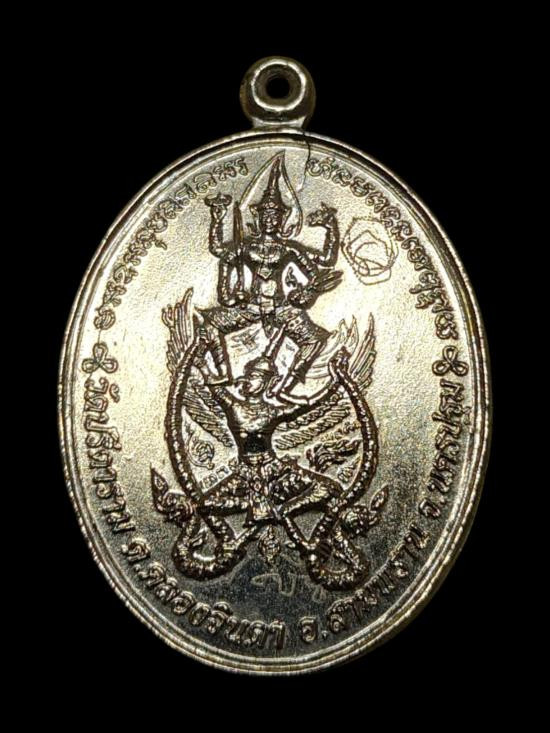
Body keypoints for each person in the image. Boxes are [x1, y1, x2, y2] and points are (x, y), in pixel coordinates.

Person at [198, 156, 342, 397]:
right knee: (210, 325)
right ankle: (222, 372)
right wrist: (227, 296)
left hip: (281, 308)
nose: (270, 221)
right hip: (250, 306)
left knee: (315, 340)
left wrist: (331, 228)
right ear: (258, 218)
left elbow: (325, 262)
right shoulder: (246, 247)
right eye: (266, 216)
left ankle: (286, 388)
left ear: (283, 219)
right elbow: (220, 252)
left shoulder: (289, 249)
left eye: (275, 217)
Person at [195, 350, 348, 553]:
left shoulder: (273, 411)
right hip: (245, 476)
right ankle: (230, 539)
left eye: (253, 376)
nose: (246, 380)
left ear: (267, 382)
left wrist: (336, 380)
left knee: (331, 490)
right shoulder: (232, 406)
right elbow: (215, 387)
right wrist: (201, 363)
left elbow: (312, 403)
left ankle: (311, 535)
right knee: (205, 505)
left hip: (276, 473)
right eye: (246, 375)